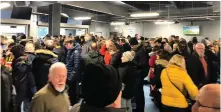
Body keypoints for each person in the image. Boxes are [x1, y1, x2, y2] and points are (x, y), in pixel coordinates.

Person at [11, 44, 37, 112]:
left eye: (11, 53)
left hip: (23, 87)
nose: (10, 55)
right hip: (27, 86)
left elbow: (21, 76)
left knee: (21, 105)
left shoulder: (21, 63)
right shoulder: (23, 60)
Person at [129, 38, 148, 112]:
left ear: (135, 44)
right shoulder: (139, 50)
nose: (132, 47)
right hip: (139, 74)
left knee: (138, 93)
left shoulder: (141, 51)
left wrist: (133, 63)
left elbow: (142, 64)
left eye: (132, 45)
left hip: (139, 74)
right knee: (138, 93)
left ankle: (139, 109)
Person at [63, 37, 82, 105]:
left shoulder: (76, 52)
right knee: (70, 94)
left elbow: (76, 67)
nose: (65, 45)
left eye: (67, 44)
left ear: (72, 44)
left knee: (73, 95)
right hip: (69, 76)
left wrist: (70, 78)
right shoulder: (69, 50)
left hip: (72, 78)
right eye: (65, 44)